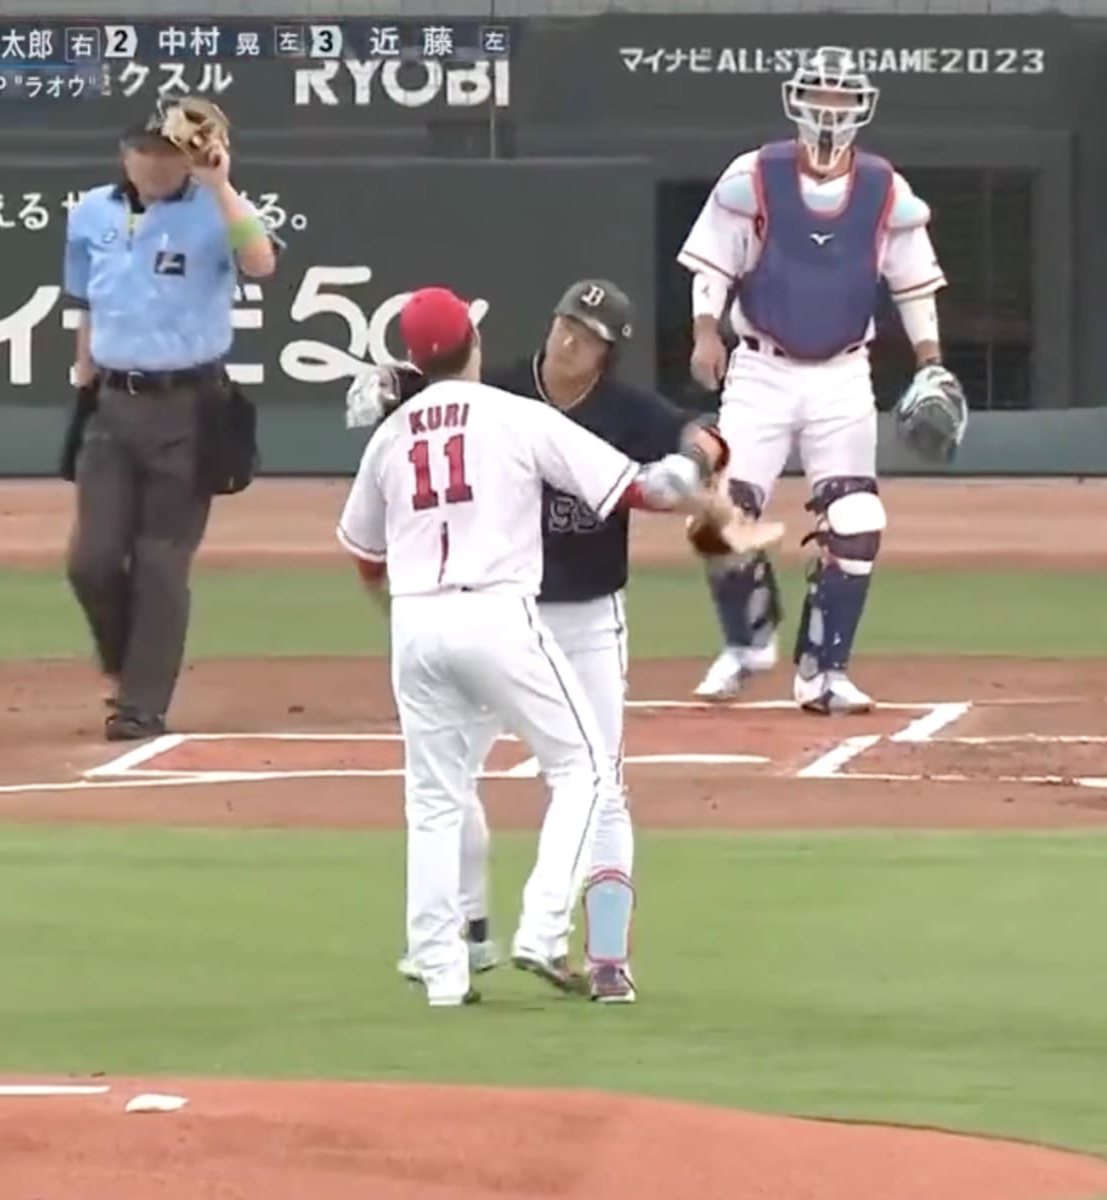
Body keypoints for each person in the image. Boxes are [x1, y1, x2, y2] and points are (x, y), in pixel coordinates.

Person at [335, 286, 726, 1008]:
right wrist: (679, 487)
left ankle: (449, 967)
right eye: (566, 324)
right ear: (475, 346)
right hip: (506, 617)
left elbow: (361, 547)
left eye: (590, 332)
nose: (573, 340)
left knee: (434, 799)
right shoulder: (515, 407)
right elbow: (633, 491)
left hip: (432, 621)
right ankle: (537, 932)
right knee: (584, 771)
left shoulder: (394, 434)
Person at [677, 46, 962, 714]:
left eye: (841, 98)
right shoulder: (755, 176)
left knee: (858, 516)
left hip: (842, 373)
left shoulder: (884, 189)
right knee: (718, 516)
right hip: (760, 368)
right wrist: (704, 329)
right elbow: (713, 264)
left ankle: (824, 669)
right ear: (796, 99)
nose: (829, 110)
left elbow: (913, 282)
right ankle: (747, 643)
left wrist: (932, 361)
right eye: (820, 96)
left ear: (860, 107)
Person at [61, 98, 276, 740]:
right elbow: (87, 303)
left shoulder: (214, 210)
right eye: (148, 150)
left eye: (171, 152)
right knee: (91, 560)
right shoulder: (90, 213)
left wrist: (221, 183)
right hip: (112, 404)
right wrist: (84, 380)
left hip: (189, 405)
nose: (158, 163)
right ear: (126, 153)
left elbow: (261, 261)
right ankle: (129, 660)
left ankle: (141, 704)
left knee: (160, 562)